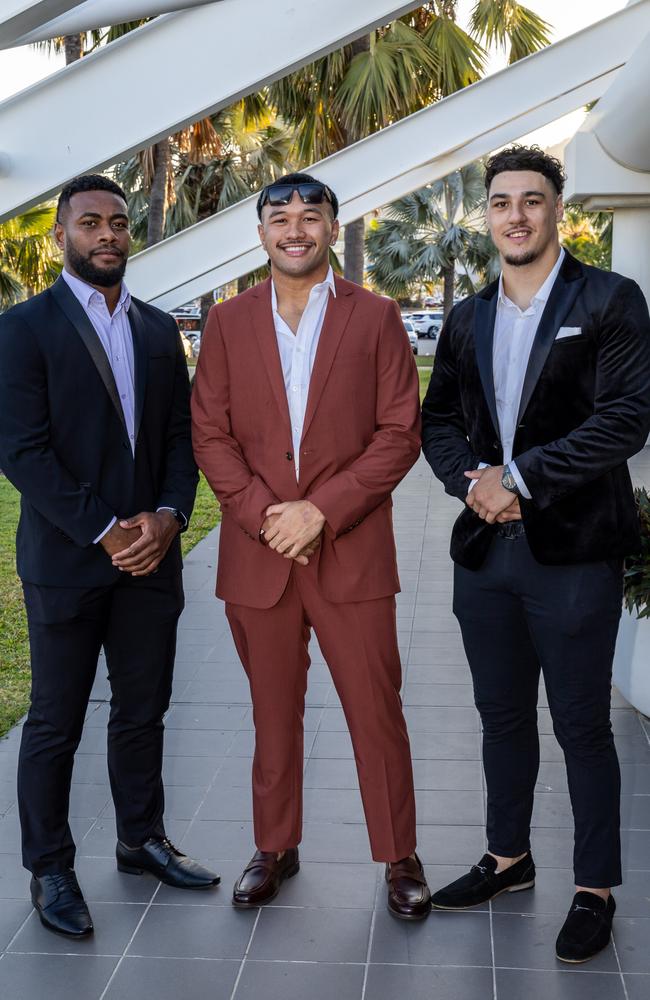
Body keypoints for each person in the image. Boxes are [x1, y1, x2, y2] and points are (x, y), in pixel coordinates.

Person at [421, 145, 650, 962]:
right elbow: (437, 422)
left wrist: (519, 477)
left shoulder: (611, 298)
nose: (514, 214)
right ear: (487, 215)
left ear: (559, 210)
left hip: (574, 552)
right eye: (500, 202)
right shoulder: (468, 316)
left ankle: (595, 889)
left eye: (531, 199)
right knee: (501, 717)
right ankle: (508, 858)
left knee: (583, 726)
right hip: (486, 553)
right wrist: (472, 485)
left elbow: (626, 419)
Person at [191, 172, 430, 919]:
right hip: (258, 557)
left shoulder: (378, 317)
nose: (295, 229)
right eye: (279, 217)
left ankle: (400, 856)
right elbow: (211, 434)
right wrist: (270, 517)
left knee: (374, 711)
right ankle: (274, 846)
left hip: (350, 552)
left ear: (332, 226)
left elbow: (400, 434)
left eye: (310, 216)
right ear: (260, 233)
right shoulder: (226, 324)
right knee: (271, 712)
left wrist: (320, 511)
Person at [0, 175, 220, 939]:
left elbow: (178, 441)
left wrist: (167, 517)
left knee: (143, 710)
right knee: (55, 720)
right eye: (90, 222)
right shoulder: (21, 329)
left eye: (119, 223)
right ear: (60, 235)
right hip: (67, 562)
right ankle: (50, 868)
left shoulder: (161, 331)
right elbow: (21, 452)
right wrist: (105, 530)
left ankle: (140, 839)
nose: (108, 234)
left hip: (152, 561)